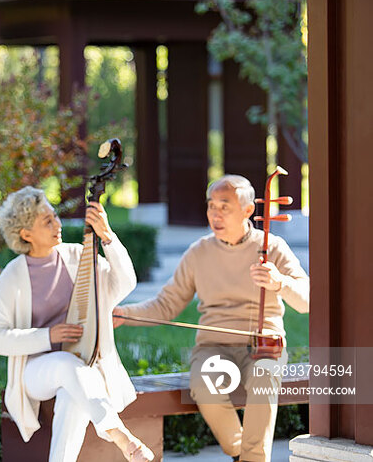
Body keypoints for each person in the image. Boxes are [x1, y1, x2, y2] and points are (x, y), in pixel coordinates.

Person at [114, 175, 309, 462]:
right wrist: (123, 313)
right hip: (213, 346)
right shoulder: (198, 253)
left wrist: (279, 282)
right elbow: (165, 304)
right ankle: (243, 454)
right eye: (211, 206)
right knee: (205, 385)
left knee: (264, 379)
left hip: (263, 342)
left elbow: (306, 300)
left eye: (224, 206)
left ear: (247, 211)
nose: (215, 214)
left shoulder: (272, 246)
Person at [0, 187, 154, 462]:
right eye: (47, 221)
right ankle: (120, 435)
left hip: (83, 366)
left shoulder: (78, 256)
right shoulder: (13, 275)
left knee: (72, 396)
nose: (58, 224)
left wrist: (107, 237)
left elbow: (123, 284)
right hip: (36, 371)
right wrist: (47, 336)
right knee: (65, 364)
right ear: (25, 234)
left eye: (55, 217)